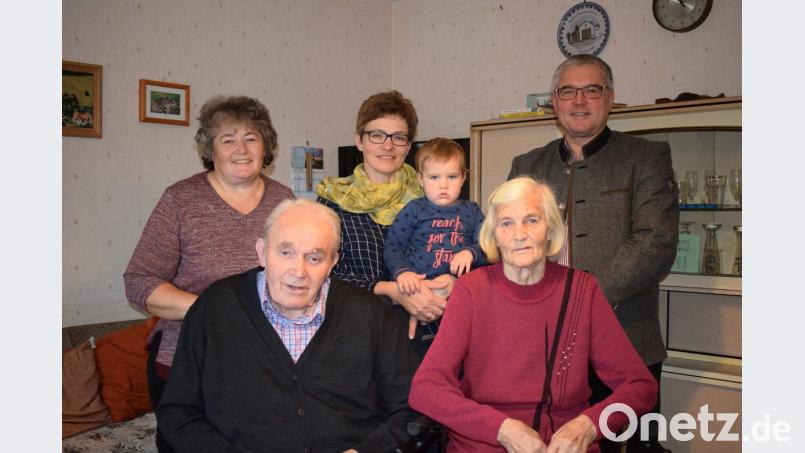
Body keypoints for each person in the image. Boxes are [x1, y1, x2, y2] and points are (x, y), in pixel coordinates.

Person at [408, 177, 657, 453]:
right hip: (484, 444)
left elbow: (641, 385)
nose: (519, 234)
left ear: (551, 229)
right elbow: (426, 388)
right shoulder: (471, 291)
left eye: (532, 220)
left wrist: (589, 425)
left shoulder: (581, 291)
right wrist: (501, 429)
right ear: (494, 237)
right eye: (506, 223)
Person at [508, 55, 678, 453]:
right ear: (554, 101)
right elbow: (510, 244)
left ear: (610, 98)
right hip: (542, 346)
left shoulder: (646, 157)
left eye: (592, 89)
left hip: (628, 345)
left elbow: (655, 242)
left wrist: (582, 301)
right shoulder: (527, 165)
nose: (579, 100)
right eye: (568, 90)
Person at [157, 199, 421, 453]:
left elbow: (412, 410)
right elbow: (178, 412)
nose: (299, 271)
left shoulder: (368, 313)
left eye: (315, 258)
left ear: (333, 263)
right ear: (261, 252)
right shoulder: (216, 307)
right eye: (286, 253)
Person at [123, 95, 295, 452]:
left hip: (267, 364)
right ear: (210, 149)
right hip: (189, 363)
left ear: (266, 146)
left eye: (251, 137)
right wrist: (213, 309)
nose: (241, 148)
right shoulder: (181, 200)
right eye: (227, 139)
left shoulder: (284, 200)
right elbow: (139, 281)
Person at [316, 90, 448, 351]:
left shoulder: (434, 198)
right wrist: (391, 290)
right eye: (377, 135)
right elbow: (325, 274)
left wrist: (447, 285)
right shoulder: (334, 202)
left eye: (398, 137)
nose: (388, 146)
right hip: (358, 338)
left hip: (427, 336)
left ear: (409, 146)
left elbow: (456, 257)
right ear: (359, 141)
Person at [383, 138, 486, 346]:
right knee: (413, 346)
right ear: (420, 180)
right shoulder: (414, 209)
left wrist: (470, 252)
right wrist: (403, 272)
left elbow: (490, 248)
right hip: (416, 289)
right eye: (434, 177)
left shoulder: (472, 211)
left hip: (458, 295)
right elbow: (393, 246)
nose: (443, 185)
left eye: (452, 176)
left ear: (463, 178)